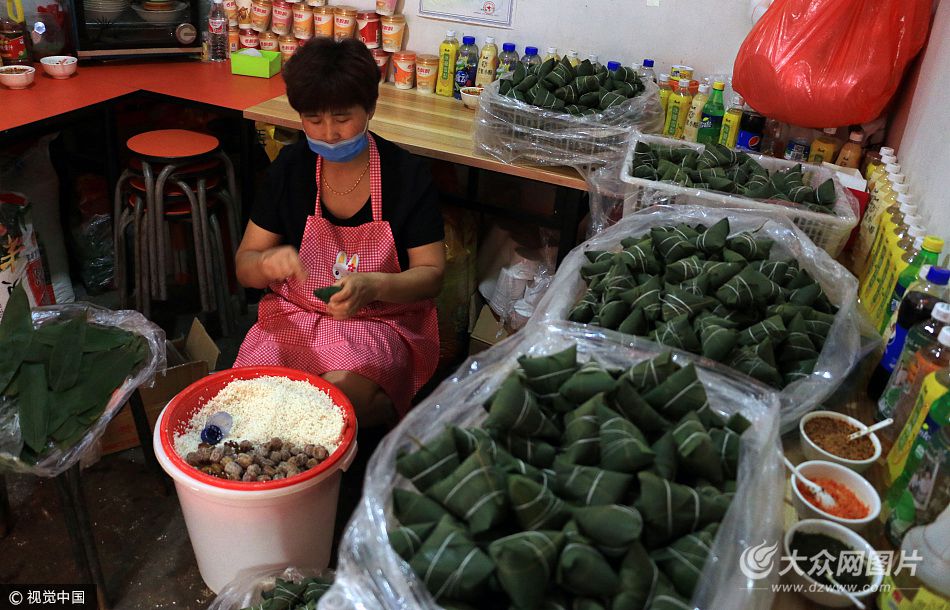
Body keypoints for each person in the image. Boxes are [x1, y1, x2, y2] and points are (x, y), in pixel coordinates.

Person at [233, 37, 445, 428]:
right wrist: (264, 264)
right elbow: (245, 266)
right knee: (255, 401)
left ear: (370, 108)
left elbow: (432, 275)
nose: (329, 133)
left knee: (331, 404)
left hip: (379, 319)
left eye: (343, 118)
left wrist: (374, 286)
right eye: (314, 120)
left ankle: (389, 411)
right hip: (297, 313)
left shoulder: (406, 175)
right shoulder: (290, 169)